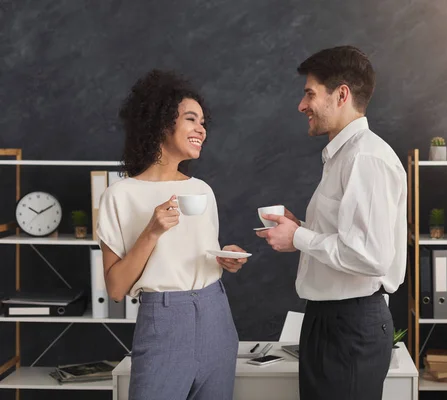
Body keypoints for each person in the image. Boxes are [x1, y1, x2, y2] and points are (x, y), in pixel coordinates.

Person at [256, 46, 407, 400]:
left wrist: (300, 238)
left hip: (349, 327)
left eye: (310, 93)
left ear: (341, 95)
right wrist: (301, 227)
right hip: (331, 324)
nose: (301, 105)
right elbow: (348, 236)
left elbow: (371, 256)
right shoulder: (343, 157)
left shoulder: (365, 159)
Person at [97, 69, 247, 400]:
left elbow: (198, 256)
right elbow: (117, 288)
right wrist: (151, 231)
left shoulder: (202, 191)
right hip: (164, 323)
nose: (201, 129)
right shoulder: (120, 195)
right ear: (162, 123)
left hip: (216, 317)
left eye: (203, 122)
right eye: (191, 120)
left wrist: (223, 259)